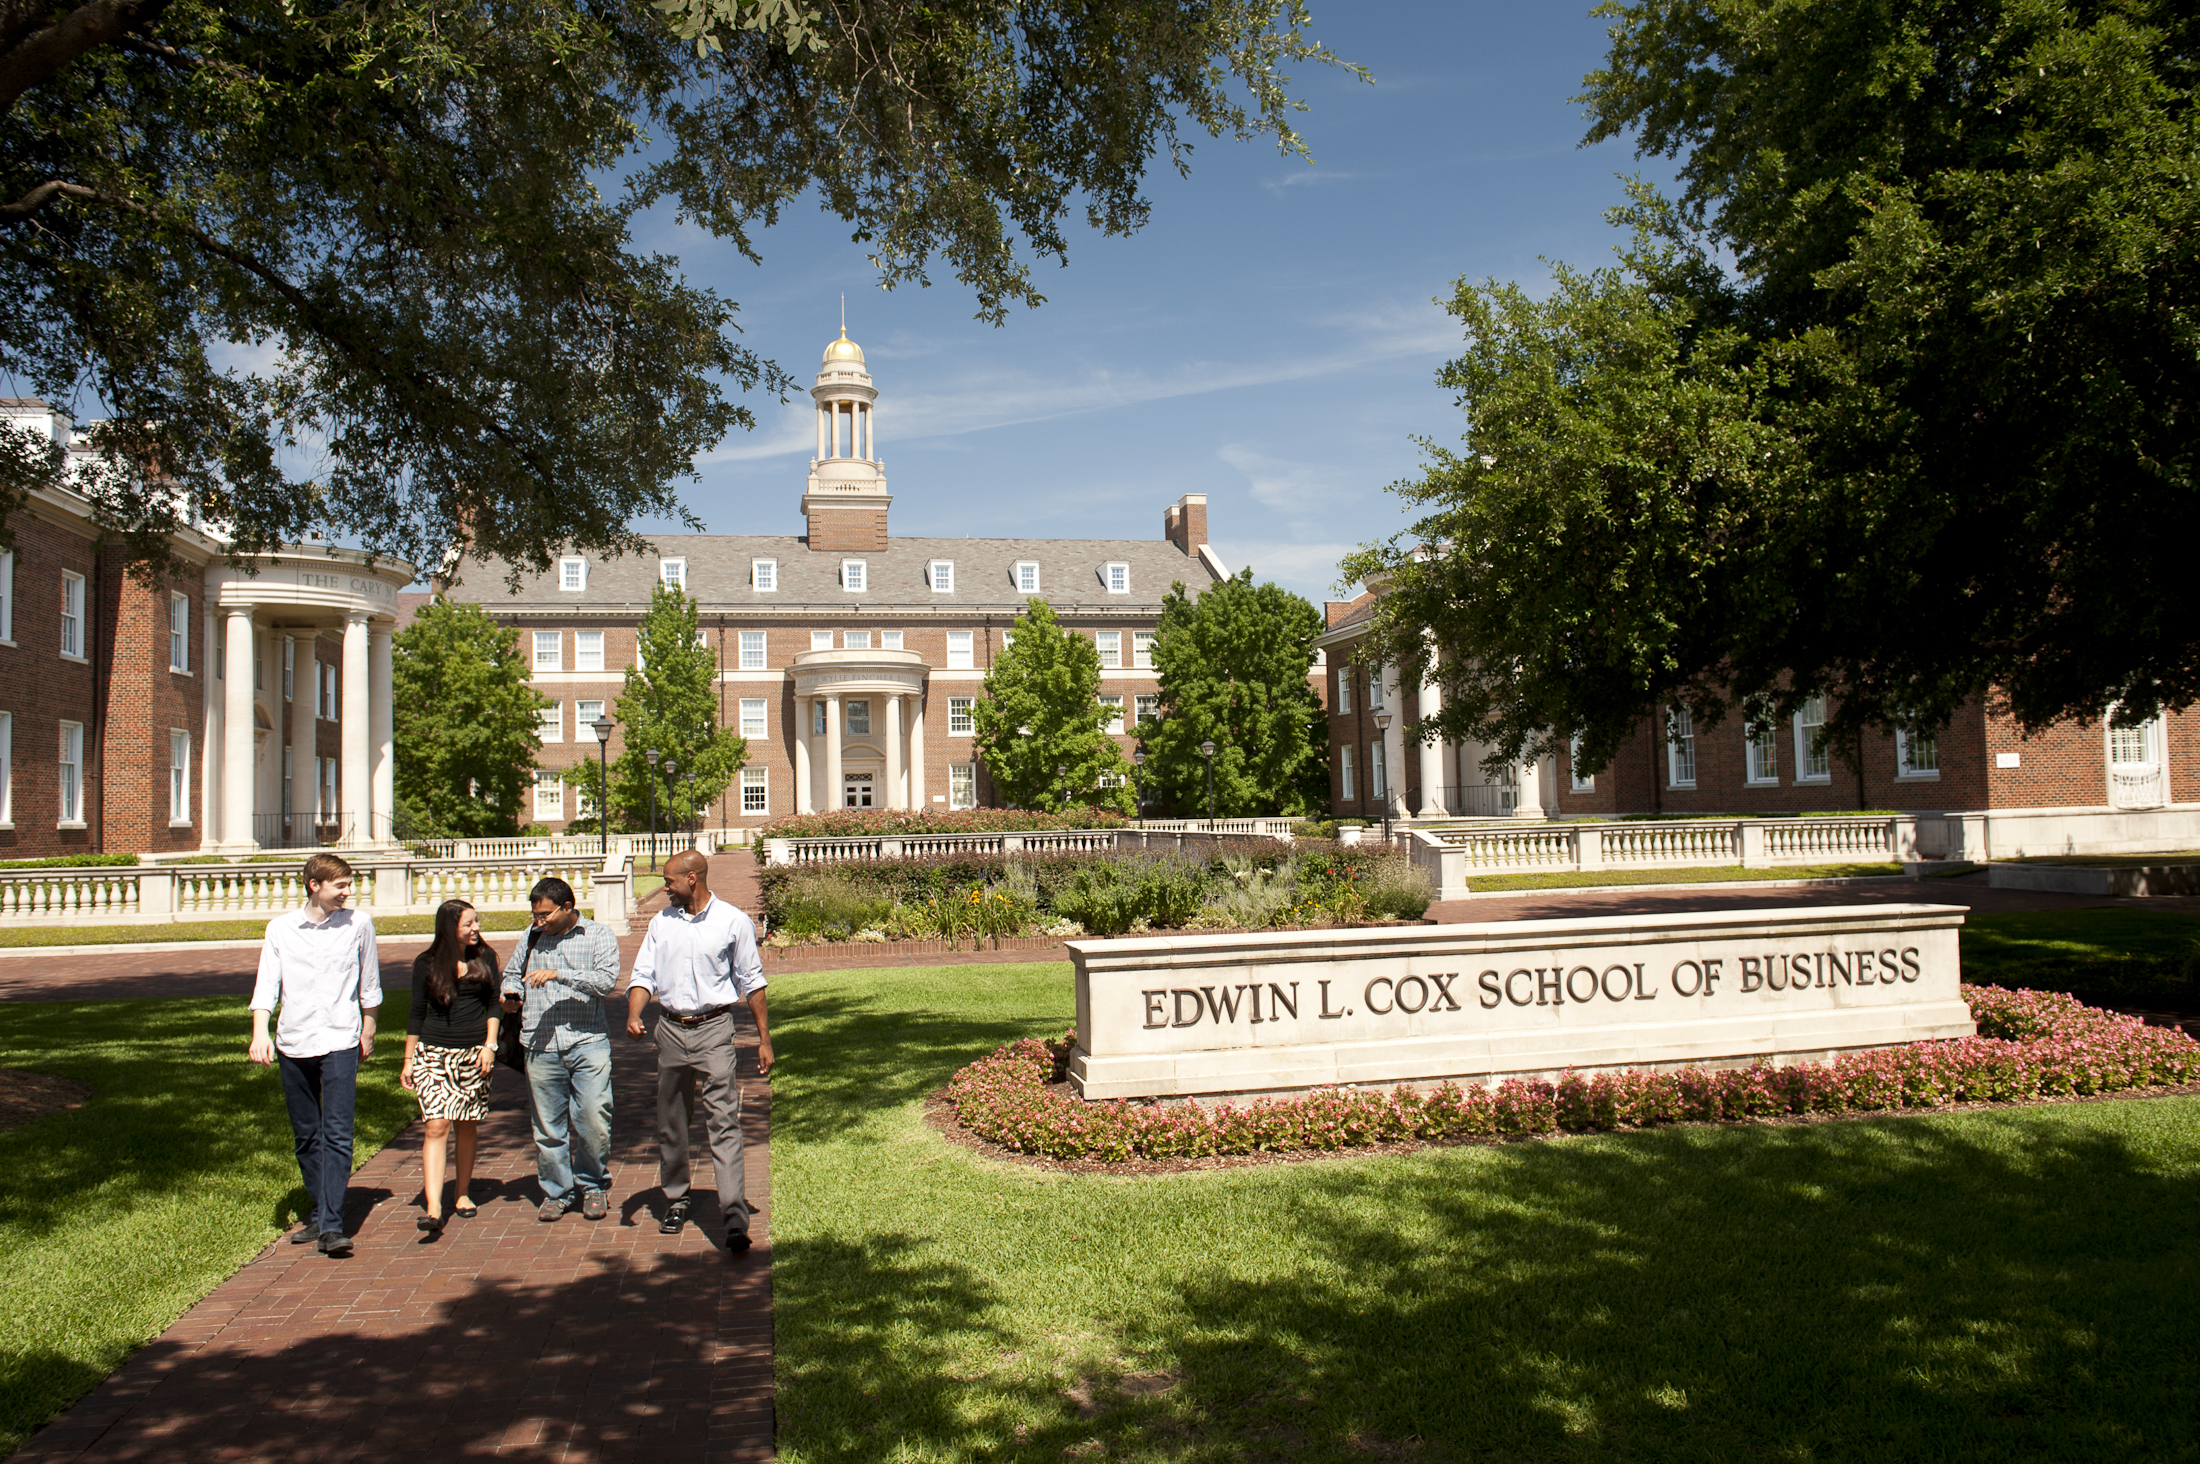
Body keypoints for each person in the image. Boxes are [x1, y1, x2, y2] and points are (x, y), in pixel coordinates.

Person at [625, 849, 774, 1252]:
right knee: (672, 1123)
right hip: (670, 1031)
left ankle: (734, 1217)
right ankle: (676, 1199)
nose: (664, 888)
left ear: (693, 878)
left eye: (670, 881)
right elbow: (643, 974)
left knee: (723, 1121)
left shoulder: (732, 921)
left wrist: (764, 1040)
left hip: (714, 1030)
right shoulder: (661, 923)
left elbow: (753, 982)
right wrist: (635, 1013)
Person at [248, 852, 381, 1257]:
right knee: (306, 1135)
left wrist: (369, 1028)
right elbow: (267, 984)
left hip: (341, 1038)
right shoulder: (281, 929)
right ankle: (321, 1213)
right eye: (340, 885)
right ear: (315, 885)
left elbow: (369, 981)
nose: (348, 891)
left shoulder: (359, 924)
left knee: (337, 1132)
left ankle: (332, 1225)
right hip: (293, 1040)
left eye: (349, 884)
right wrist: (260, 1032)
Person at [501, 877, 620, 1222]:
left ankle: (593, 1184)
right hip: (540, 1044)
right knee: (548, 1127)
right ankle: (557, 1191)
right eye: (535, 915)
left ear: (567, 907)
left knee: (594, 1119)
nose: (539, 922)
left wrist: (559, 974)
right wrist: (511, 995)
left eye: (545, 915)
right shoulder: (532, 935)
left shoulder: (598, 935)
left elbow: (606, 981)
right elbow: (511, 974)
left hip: (587, 1042)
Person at [400, 899, 502, 1233]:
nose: (476, 929)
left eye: (477, 922)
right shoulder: (426, 963)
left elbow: (493, 1006)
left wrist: (490, 1046)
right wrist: (409, 1060)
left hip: (474, 1054)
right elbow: (416, 1012)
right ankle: (432, 1208)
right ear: (450, 927)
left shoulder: (485, 958)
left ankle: (461, 1193)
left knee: (466, 1124)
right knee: (436, 1125)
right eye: (468, 924)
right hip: (433, 1054)